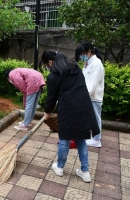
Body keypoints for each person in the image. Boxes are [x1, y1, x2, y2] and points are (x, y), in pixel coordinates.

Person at [41, 50, 99, 183]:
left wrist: (47, 112)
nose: (46, 67)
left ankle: (60, 167)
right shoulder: (75, 68)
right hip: (83, 106)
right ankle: (85, 172)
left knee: (64, 138)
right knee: (81, 139)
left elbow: (51, 97)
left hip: (67, 109)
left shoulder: (53, 76)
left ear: (50, 62)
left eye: (46, 64)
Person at [75, 42, 105, 148]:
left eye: (82, 53)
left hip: (93, 97)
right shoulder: (88, 62)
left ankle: (97, 139)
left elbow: (92, 83)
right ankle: (93, 137)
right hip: (88, 96)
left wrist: (83, 96)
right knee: (90, 118)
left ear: (89, 52)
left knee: (95, 118)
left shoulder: (96, 64)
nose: (81, 56)